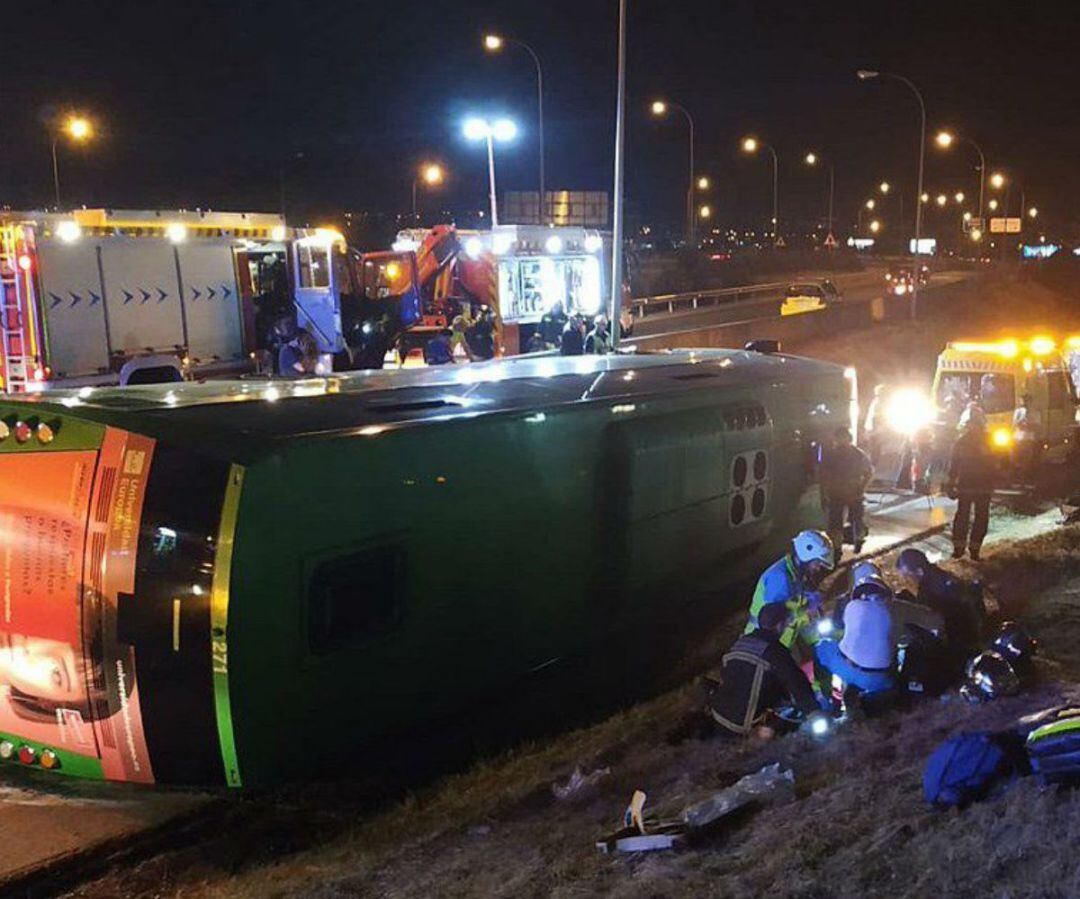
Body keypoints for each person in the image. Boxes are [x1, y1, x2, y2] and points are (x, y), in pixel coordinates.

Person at [709, 602, 822, 735]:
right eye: (786, 624)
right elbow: (796, 681)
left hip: (719, 715)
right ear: (779, 625)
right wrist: (814, 712)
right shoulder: (775, 650)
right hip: (741, 724)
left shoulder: (742, 641)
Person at [744, 530, 834, 655]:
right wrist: (804, 616)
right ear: (806, 557)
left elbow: (795, 605)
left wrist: (817, 640)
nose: (818, 568)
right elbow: (773, 619)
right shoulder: (780, 578)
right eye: (817, 563)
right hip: (762, 647)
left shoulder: (796, 573)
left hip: (778, 642)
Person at [814, 580, 897, 703]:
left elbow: (842, 629)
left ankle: (825, 696)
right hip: (878, 680)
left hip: (847, 670)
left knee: (821, 646)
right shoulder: (894, 611)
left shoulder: (852, 606)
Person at [895, 548, 987, 657]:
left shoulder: (928, 591)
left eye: (907, 576)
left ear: (919, 571)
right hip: (972, 635)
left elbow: (931, 625)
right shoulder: (942, 576)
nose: (907, 581)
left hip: (959, 645)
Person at [946, 404, 996, 560]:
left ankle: (970, 549)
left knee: (973, 517)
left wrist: (951, 483)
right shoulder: (981, 441)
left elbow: (998, 463)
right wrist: (951, 482)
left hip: (976, 485)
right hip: (973, 485)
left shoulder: (965, 442)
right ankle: (962, 549)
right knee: (967, 516)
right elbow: (954, 465)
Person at [819, 426, 874, 562]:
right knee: (853, 520)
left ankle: (839, 549)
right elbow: (869, 473)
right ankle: (852, 544)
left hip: (842, 492)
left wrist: (825, 492)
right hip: (849, 492)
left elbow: (823, 476)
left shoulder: (832, 455)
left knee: (839, 522)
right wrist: (862, 487)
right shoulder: (858, 454)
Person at [1012, 393, 1040, 480]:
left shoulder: (1035, 412)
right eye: (1022, 400)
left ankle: (1025, 476)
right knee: (1017, 458)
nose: (1023, 402)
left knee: (1027, 459)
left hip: (1028, 438)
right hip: (1018, 438)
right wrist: (1020, 423)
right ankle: (1019, 475)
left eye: (1025, 400)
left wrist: (1029, 425)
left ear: (1030, 401)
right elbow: (1014, 424)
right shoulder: (1018, 411)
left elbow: (1037, 425)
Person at [863, 384, 887, 464]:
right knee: (875, 448)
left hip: (878, 430)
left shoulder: (878, 402)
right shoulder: (877, 403)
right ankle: (874, 462)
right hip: (875, 430)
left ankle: (875, 461)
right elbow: (873, 417)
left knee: (876, 447)